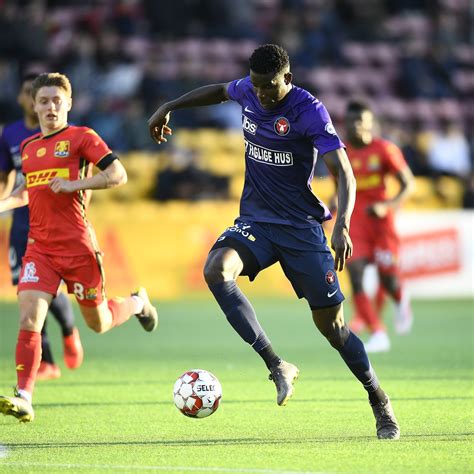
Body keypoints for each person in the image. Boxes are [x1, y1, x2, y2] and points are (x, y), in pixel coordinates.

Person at [148, 44, 400, 440]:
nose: (263, 94)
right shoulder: (248, 89)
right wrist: (171, 105)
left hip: (301, 228)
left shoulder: (309, 110)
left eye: (270, 87)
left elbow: (344, 173)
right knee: (216, 269)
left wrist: (343, 225)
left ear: (288, 79)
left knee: (333, 330)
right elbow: (218, 91)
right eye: (257, 85)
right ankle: (276, 364)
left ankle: (379, 400)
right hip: (256, 221)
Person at [0, 72, 158, 423]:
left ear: (69, 103)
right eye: (44, 100)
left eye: (57, 100)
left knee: (99, 323)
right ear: (34, 105)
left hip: (78, 248)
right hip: (39, 249)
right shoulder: (28, 148)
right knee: (28, 317)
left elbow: (118, 175)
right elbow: (26, 191)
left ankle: (136, 303)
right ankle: (24, 396)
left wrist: (75, 184)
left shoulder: (82, 137)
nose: (50, 106)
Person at [0, 73, 84, 381]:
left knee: (53, 291)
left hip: (57, 226)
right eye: (30, 94)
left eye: (54, 99)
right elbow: (7, 177)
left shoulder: (70, 136)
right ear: (27, 100)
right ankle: (47, 361)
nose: (46, 104)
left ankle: (69, 329)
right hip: (22, 225)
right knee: (29, 294)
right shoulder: (12, 136)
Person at [344, 100, 415, 353]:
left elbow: (408, 183)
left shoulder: (385, 149)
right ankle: (378, 332)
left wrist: (388, 205)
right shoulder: (341, 153)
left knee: (388, 278)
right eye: (352, 121)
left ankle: (399, 299)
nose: (357, 126)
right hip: (356, 224)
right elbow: (340, 189)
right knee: (355, 275)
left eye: (362, 121)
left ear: (371, 124)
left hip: (381, 224)